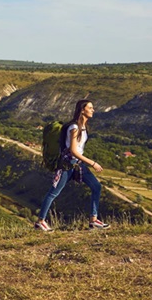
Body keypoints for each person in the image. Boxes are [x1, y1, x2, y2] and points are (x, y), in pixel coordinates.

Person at [35, 99, 110, 232]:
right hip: (67, 165)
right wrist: (92, 163)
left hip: (78, 164)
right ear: (82, 110)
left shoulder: (83, 127)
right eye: (90, 108)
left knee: (96, 187)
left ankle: (93, 220)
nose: (93, 110)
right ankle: (40, 222)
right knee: (53, 193)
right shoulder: (74, 128)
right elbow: (73, 151)